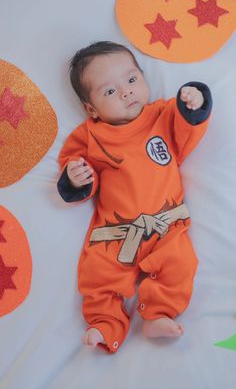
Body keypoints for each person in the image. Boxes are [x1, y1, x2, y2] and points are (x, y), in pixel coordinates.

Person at [57, 41, 212, 354]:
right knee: (98, 275)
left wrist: (194, 101)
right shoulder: (89, 136)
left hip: (167, 225)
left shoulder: (161, 116)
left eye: (131, 80)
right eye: (110, 92)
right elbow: (74, 167)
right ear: (91, 109)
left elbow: (188, 128)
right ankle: (105, 323)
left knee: (180, 264)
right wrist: (75, 178)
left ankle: (158, 314)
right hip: (115, 233)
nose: (126, 92)